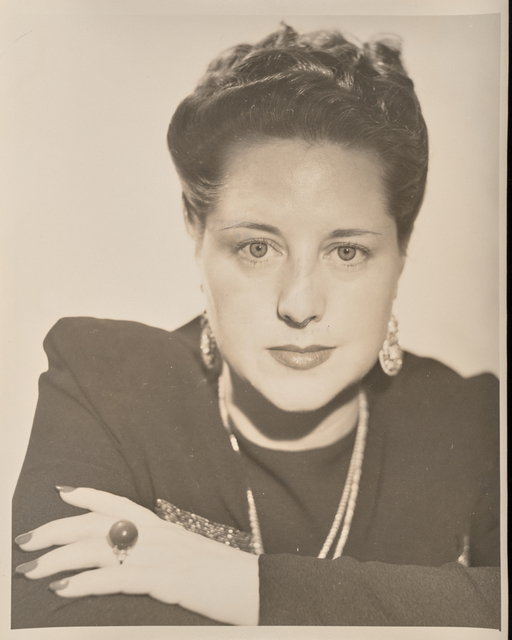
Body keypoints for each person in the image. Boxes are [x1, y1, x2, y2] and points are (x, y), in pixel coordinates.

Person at [12, 24, 500, 628]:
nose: (299, 305)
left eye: (346, 252)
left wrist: (236, 582)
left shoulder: (476, 426)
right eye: (256, 249)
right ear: (196, 230)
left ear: (402, 247)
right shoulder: (105, 384)